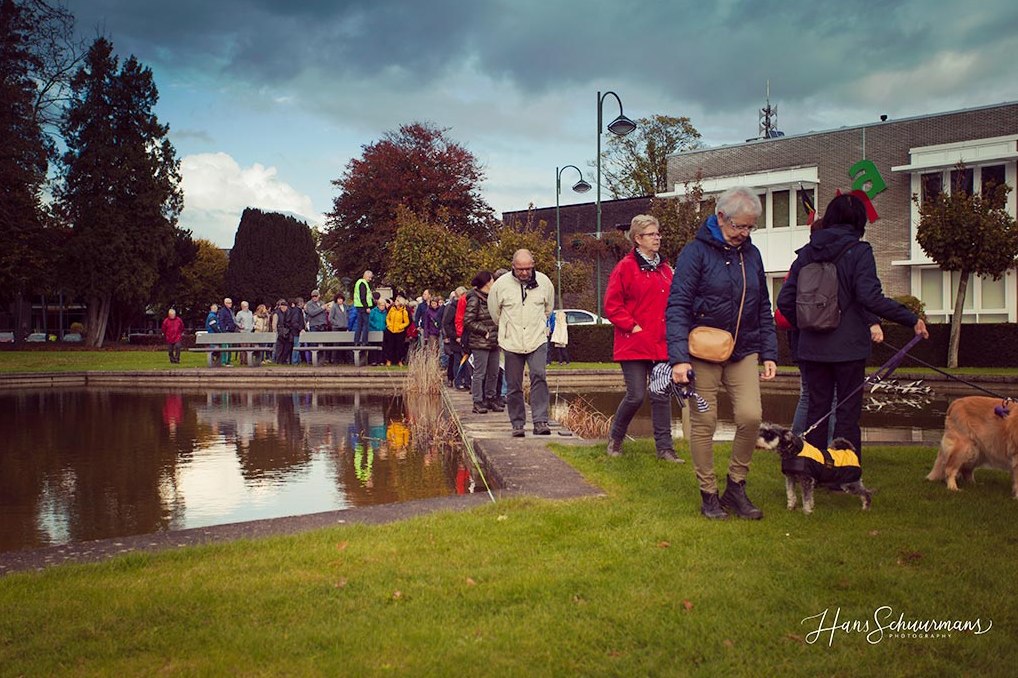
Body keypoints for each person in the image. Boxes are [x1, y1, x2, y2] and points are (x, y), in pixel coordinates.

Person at [777, 193, 928, 459]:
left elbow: (785, 301)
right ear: (860, 222)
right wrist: (910, 318)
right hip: (848, 348)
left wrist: (807, 326)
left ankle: (814, 469)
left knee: (817, 410)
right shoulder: (859, 252)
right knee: (846, 412)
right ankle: (843, 473)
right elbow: (870, 298)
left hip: (812, 349)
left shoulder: (806, 254)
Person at [666, 187, 778, 520]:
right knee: (704, 421)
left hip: (743, 349)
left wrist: (769, 351)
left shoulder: (752, 255)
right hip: (701, 351)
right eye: (739, 227)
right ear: (720, 218)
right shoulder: (695, 253)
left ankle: (736, 485)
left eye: (750, 227)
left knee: (750, 416)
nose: (744, 234)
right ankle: (709, 494)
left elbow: (762, 307)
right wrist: (679, 358)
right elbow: (678, 306)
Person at [604, 214, 679, 462]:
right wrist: (633, 327)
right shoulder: (625, 268)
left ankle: (665, 449)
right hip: (634, 343)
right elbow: (612, 306)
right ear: (638, 239)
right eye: (651, 234)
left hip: (661, 344)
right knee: (636, 395)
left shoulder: (666, 270)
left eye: (658, 233)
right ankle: (615, 438)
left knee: (661, 395)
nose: (657, 238)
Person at [488, 249, 555, 437]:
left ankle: (540, 420)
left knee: (539, 375)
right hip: (512, 341)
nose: (524, 273)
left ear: (533, 265)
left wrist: (538, 325)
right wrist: (508, 327)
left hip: (537, 338)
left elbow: (548, 308)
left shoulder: (544, 283)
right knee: (514, 384)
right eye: (520, 269)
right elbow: (495, 312)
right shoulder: (500, 286)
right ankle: (517, 423)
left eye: (528, 269)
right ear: (513, 267)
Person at [464, 271, 502, 414]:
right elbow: (468, 321)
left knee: (494, 372)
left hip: (494, 341)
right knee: (480, 373)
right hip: (480, 342)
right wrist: (483, 331)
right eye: (492, 281)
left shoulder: (493, 298)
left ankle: (490, 397)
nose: (494, 283)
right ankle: (478, 401)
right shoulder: (475, 299)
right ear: (487, 283)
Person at [443, 288, 467, 387]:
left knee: (465, 361)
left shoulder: (466, 305)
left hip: (465, 337)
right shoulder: (452, 307)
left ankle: (465, 381)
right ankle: (457, 381)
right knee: (457, 359)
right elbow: (446, 323)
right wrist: (454, 336)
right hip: (456, 337)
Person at [384, 295, 410, 366]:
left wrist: (400, 326)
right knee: (390, 346)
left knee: (399, 346)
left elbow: (407, 322)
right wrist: (388, 325)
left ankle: (399, 360)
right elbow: (387, 318)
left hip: (400, 331)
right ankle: (389, 360)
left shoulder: (404, 311)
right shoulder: (392, 309)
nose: (395, 301)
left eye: (397, 300)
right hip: (390, 330)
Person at [352, 270, 374, 346]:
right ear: (366, 276)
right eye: (369, 277)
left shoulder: (359, 283)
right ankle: (364, 342)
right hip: (363, 307)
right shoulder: (363, 283)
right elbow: (363, 297)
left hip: (358, 306)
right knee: (366, 324)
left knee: (359, 325)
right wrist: (367, 307)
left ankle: (356, 341)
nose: (370, 279)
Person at [217, 298, 237, 366]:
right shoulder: (223, 311)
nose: (230, 304)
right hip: (226, 331)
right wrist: (224, 330)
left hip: (231, 331)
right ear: (225, 303)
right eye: (228, 303)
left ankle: (228, 361)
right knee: (226, 347)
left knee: (229, 347)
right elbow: (221, 321)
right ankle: (224, 361)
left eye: (231, 302)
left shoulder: (230, 311)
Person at [271, 299, 291, 365]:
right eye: (282, 306)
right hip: (279, 332)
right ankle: (277, 361)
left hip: (287, 332)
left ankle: (284, 361)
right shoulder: (276, 313)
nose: (284, 308)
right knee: (279, 348)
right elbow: (274, 324)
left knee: (286, 348)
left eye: (285, 306)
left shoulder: (289, 312)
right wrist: (275, 331)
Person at [234, 300, 254, 365]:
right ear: (242, 307)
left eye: (247, 306)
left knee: (249, 347)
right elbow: (236, 321)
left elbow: (252, 321)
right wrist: (240, 326)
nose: (247, 307)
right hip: (243, 332)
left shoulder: (250, 312)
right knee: (243, 347)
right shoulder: (239, 313)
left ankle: (248, 360)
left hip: (249, 332)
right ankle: (242, 361)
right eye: (245, 306)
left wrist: (252, 326)